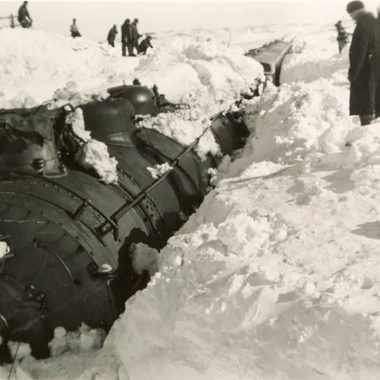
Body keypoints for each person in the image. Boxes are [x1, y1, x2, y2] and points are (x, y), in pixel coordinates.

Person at [346, 1, 380, 126]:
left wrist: (353, 73)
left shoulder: (363, 24)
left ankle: (366, 132)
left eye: (351, 14)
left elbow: (359, 51)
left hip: (364, 72)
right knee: (374, 103)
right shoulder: (375, 22)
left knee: (365, 105)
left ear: (356, 11)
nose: (351, 17)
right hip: (375, 70)